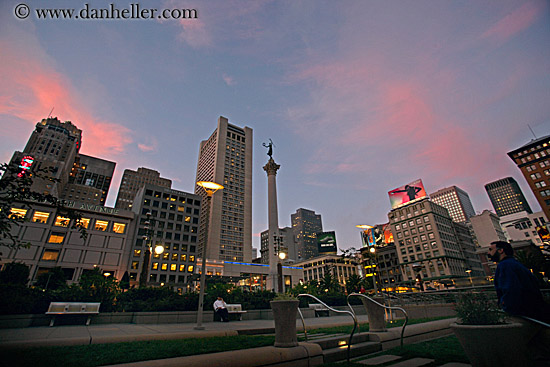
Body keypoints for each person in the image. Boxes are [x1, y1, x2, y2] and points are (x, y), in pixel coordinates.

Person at [488, 241, 549, 322]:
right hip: (535, 311)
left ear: (501, 250)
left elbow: (511, 289)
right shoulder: (515, 264)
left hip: (525, 313)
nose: (488, 252)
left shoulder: (505, 265)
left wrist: (507, 309)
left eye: (491, 249)